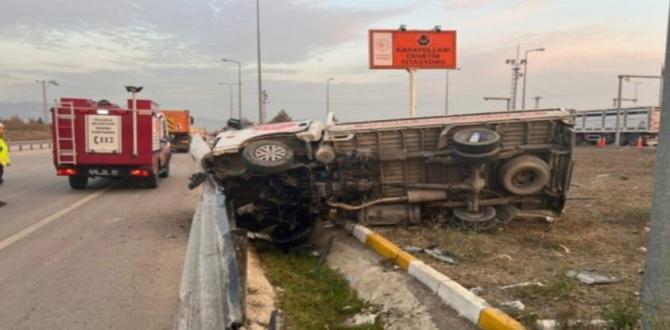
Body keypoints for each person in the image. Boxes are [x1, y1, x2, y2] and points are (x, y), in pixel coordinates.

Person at [0, 122, 10, 207]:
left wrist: (7, 161)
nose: (3, 130)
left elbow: (3, 152)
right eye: (1, 128)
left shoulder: (1, 139)